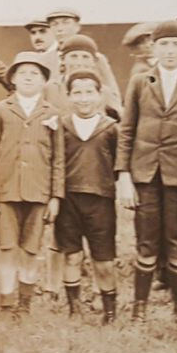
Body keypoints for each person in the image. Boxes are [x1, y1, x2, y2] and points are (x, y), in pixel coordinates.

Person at [115, 20, 177, 324]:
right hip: (145, 174)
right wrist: (124, 175)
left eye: (176, 45)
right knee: (146, 242)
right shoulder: (140, 82)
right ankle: (139, 310)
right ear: (153, 49)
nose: (170, 51)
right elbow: (127, 131)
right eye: (163, 44)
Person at [0, 51, 65, 316]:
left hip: (39, 192)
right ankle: (6, 302)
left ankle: (24, 304)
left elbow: (58, 158)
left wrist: (55, 197)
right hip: (6, 190)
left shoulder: (52, 113)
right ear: (13, 79)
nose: (29, 78)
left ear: (43, 81)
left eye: (35, 74)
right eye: (23, 73)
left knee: (30, 248)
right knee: (7, 247)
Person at [54, 69, 119, 322]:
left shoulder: (111, 128)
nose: (83, 98)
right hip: (68, 199)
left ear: (99, 95)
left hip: (101, 200)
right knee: (72, 255)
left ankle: (110, 310)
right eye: (77, 93)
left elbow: (119, 163)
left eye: (89, 92)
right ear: (68, 96)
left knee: (104, 259)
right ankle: (74, 308)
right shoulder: (61, 126)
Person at [45, 7, 122, 105]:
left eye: (66, 23)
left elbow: (113, 93)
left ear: (77, 27)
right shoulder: (44, 59)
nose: (60, 28)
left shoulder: (97, 58)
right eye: (55, 24)